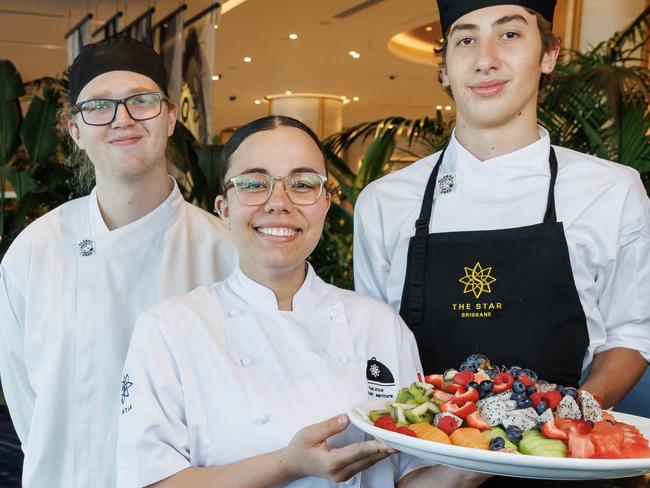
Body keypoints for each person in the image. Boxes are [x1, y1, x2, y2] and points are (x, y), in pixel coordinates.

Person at [116, 115, 489, 488]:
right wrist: (287, 464)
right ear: (224, 207)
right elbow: (151, 482)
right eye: (253, 183)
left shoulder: (379, 325)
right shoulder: (170, 329)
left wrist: (480, 459)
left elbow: (409, 477)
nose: (279, 202)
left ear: (325, 203)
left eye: (303, 183)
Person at [354, 0, 650, 411]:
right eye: (466, 39)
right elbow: (375, 340)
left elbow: (631, 333)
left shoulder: (611, 190)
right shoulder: (384, 202)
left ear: (549, 55)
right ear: (443, 67)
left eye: (509, 34)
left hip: (559, 463)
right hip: (423, 461)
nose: (485, 60)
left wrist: (568, 419)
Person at [0, 36, 235, 488]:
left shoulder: (223, 252)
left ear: (169, 118)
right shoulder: (34, 252)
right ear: (76, 132)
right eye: (99, 107)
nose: (121, 119)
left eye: (141, 101)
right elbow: (26, 404)